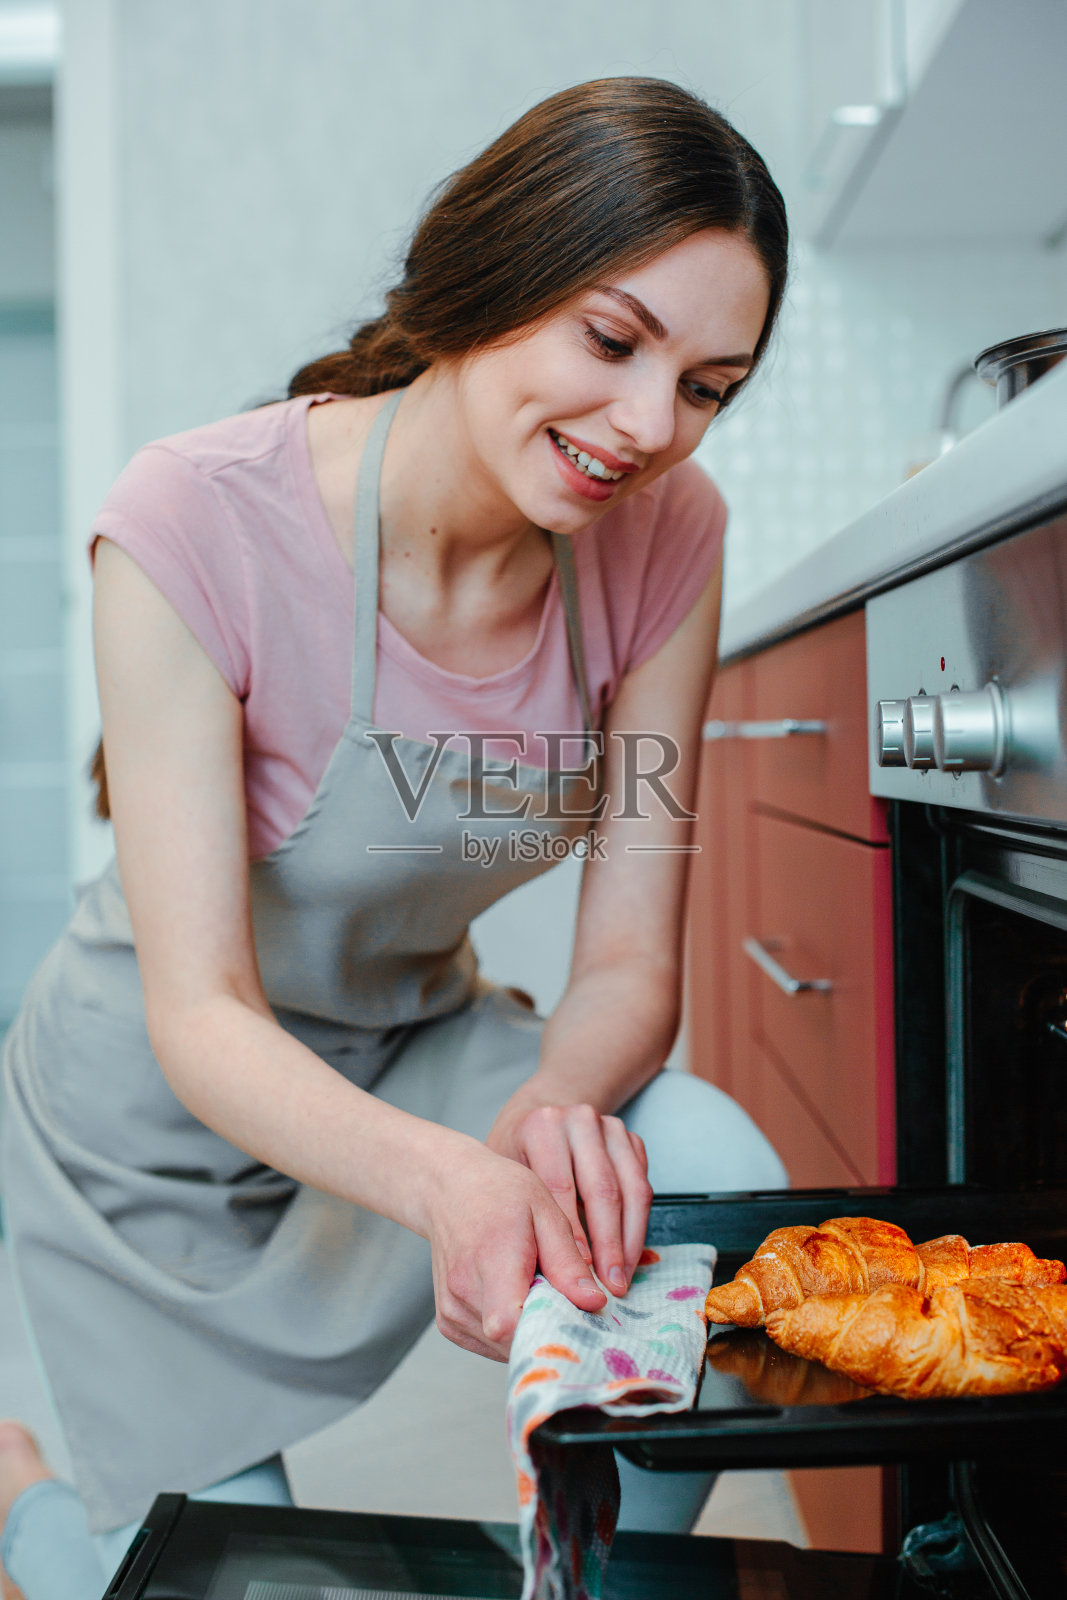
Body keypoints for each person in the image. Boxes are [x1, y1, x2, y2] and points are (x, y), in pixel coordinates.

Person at [0, 76, 789, 1600]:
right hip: (158, 1128)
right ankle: (25, 1495)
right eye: (613, 342)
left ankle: (590, 1588)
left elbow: (630, 956)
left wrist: (550, 1120)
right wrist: (450, 1187)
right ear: (481, 278)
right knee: (193, 1572)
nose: (649, 426)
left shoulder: (673, 536)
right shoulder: (191, 520)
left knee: (706, 1177)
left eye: (707, 386)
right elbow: (201, 1011)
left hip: (419, 1042)